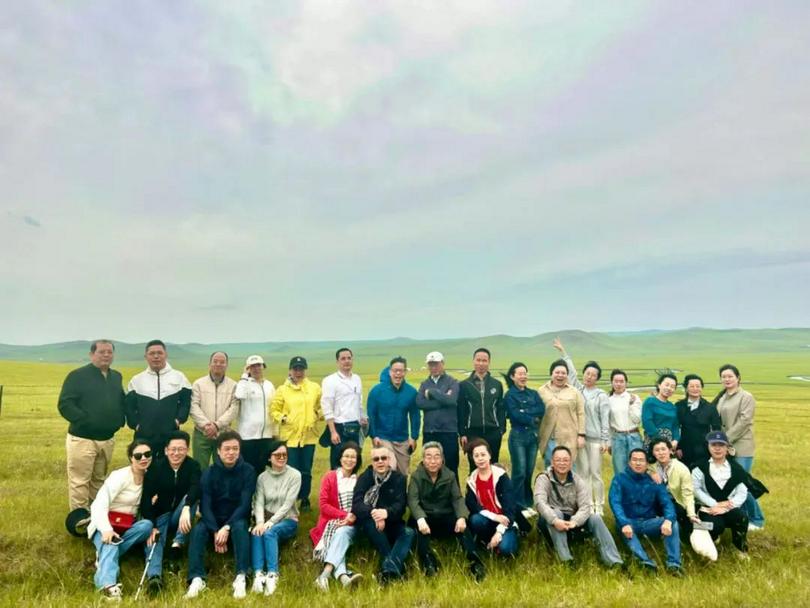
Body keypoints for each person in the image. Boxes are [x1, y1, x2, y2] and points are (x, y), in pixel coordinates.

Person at [58, 339, 126, 533]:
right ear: (91, 354)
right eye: (101, 352)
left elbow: (120, 400)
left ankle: (96, 518)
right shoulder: (77, 376)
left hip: (107, 438)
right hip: (83, 438)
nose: (106, 355)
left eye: (109, 352)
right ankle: (79, 521)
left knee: (99, 480)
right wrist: (85, 420)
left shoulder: (116, 376)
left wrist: (119, 420)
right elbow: (65, 404)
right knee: (80, 481)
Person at [185, 431, 256, 599]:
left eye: (235, 449)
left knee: (240, 526)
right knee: (198, 530)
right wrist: (216, 530)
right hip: (213, 519)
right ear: (218, 451)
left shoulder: (248, 471)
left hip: (236, 518)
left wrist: (227, 527)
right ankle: (196, 578)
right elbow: (205, 505)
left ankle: (241, 576)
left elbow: (245, 504)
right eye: (227, 449)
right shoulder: (209, 473)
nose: (231, 453)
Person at [533, 446, 623, 568]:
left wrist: (575, 522)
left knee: (595, 517)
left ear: (570, 463)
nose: (562, 463)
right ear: (552, 462)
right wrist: (555, 520)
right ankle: (566, 560)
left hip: (572, 522)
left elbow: (585, 506)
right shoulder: (543, 478)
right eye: (558, 460)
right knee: (557, 513)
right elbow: (540, 503)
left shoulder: (578, 480)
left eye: (565, 460)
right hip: (550, 523)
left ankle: (613, 560)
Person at [87, 439, 155, 600]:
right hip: (105, 523)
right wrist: (106, 529)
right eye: (138, 456)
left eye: (147, 454)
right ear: (131, 458)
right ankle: (109, 587)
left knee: (147, 525)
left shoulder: (150, 477)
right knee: (111, 542)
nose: (143, 458)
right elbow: (99, 503)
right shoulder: (120, 476)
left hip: (127, 526)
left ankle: (103, 556)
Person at [407, 442, 486, 580]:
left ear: (442, 459)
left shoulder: (449, 475)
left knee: (463, 527)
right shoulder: (416, 476)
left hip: (444, 515)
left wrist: (461, 517)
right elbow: (413, 500)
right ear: (423, 459)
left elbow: (457, 498)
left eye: (436, 457)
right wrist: (420, 518)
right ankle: (429, 563)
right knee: (417, 529)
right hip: (425, 517)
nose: (433, 461)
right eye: (428, 457)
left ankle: (475, 562)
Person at [553, 338, 610, 515]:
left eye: (593, 375)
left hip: (595, 440)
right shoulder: (578, 390)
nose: (589, 377)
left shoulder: (601, 395)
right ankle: (587, 505)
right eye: (587, 373)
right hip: (580, 439)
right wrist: (563, 351)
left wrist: (605, 440)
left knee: (596, 473)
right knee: (583, 473)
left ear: (597, 378)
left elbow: (605, 419)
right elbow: (571, 372)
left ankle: (599, 506)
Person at [140, 430, 201, 594]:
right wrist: (152, 525)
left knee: (191, 498)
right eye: (173, 449)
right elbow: (146, 499)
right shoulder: (156, 467)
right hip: (161, 514)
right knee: (154, 541)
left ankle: (176, 545)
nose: (176, 453)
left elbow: (196, 487)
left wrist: (187, 507)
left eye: (181, 449)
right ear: (166, 450)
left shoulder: (193, 466)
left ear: (187, 449)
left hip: (180, 514)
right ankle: (154, 577)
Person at [608, 448, 682, 574]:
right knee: (621, 526)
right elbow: (615, 502)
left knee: (673, 523)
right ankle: (645, 562)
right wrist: (624, 523)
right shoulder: (619, 479)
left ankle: (674, 564)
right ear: (629, 462)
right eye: (634, 460)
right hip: (628, 522)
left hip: (649, 522)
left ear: (647, 464)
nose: (638, 463)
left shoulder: (654, 481)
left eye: (641, 460)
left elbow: (667, 503)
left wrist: (668, 520)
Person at [352, 445, 415, 585]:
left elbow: (400, 506)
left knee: (408, 532)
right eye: (376, 459)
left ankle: (388, 570)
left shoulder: (399, 478)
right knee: (372, 525)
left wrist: (386, 513)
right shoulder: (365, 477)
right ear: (372, 462)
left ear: (389, 460)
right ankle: (394, 571)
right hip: (370, 522)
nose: (380, 461)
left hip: (392, 521)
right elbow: (356, 504)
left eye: (383, 458)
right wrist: (374, 513)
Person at [713, 364, 765, 530]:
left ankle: (757, 519)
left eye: (730, 376)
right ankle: (743, 519)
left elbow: (745, 421)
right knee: (731, 486)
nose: (727, 379)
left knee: (741, 484)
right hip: (726, 447)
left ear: (738, 378)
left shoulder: (746, 397)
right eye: (724, 377)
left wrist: (725, 440)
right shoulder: (722, 397)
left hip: (742, 446)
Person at [270, 356, 323, 513]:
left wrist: (317, 414)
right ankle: (290, 499)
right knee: (291, 469)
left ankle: (304, 498)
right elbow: (274, 409)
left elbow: (322, 406)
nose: (298, 372)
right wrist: (284, 418)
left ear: (305, 370)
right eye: (295, 369)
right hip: (290, 436)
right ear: (290, 370)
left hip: (309, 436)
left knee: (306, 469)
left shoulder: (314, 388)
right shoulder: (282, 390)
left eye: (301, 369)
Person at [647, 437, 713, 560]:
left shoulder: (681, 468)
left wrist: (691, 513)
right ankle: (675, 537)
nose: (661, 453)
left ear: (670, 451)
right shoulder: (652, 467)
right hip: (657, 503)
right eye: (657, 450)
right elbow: (641, 467)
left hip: (678, 503)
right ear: (653, 453)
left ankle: (709, 530)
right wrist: (651, 472)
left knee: (690, 520)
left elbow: (688, 494)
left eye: (663, 449)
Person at [250, 440, 301, 596]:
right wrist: (260, 522)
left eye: (284, 455)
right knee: (257, 532)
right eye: (277, 455)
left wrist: (271, 522)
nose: (281, 457)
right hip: (266, 518)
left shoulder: (295, 475)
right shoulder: (262, 478)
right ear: (269, 457)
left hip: (288, 519)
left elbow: (288, 504)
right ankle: (258, 574)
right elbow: (259, 502)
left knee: (270, 532)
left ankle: (273, 574)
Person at [125, 340, 192, 456]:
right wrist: (136, 425)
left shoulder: (179, 377)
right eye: (152, 353)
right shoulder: (137, 380)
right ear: (146, 357)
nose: (156, 356)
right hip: (144, 436)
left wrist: (178, 420)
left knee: (170, 464)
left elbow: (186, 403)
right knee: (143, 464)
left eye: (160, 353)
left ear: (166, 355)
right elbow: (129, 408)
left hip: (171, 434)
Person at [312, 442, 364, 591]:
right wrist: (345, 515)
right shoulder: (330, 477)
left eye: (353, 457)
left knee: (342, 532)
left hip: (353, 524)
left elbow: (362, 505)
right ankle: (343, 578)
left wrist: (351, 518)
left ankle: (324, 575)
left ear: (357, 460)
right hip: (330, 522)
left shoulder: (359, 480)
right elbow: (323, 505)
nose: (349, 460)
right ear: (340, 458)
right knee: (338, 533)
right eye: (346, 456)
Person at [692, 431, 750, 556]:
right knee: (714, 526)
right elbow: (696, 490)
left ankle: (740, 548)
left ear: (727, 448)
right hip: (708, 508)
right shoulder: (699, 467)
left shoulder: (736, 469)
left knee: (741, 518)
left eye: (721, 445)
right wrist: (714, 504)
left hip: (728, 507)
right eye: (714, 445)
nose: (717, 448)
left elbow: (742, 492)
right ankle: (711, 538)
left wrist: (726, 507)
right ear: (708, 447)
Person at [464, 438, 519, 557]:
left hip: (506, 521)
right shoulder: (472, 479)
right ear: (472, 458)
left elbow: (510, 509)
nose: (480, 458)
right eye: (476, 456)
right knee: (475, 519)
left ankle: (506, 537)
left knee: (506, 549)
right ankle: (486, 540)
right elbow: (472, 505)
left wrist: (499, 532)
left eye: (483, 454)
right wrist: (494, 517)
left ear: (489, 455)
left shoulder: (501, 477)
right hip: (488, 519)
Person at [503, 362, 545, 513]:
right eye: (520, 374)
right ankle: (518, 505)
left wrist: (525, 411)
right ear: (512, 376)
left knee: (528, 471)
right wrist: (532, 418)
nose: (523, 376)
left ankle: (528, 503)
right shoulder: (509, 395)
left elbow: (541, 408)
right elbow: (515, 415)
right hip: (518, 437)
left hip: (532, 437)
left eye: (525, 373)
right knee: (519, 472)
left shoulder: (533, 393)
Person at [367, 357, 420, 476]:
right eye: (395, 370)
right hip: (383, 437)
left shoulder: (411, 392)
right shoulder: (376, 391)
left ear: (405, 372)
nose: (398, 373)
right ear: (390, 372)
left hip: (402, 439)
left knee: (403, 473)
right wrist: (374, 435)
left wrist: (414, 437)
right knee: (390, 467)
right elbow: (371, 415)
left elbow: (415, 416)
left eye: (401, 371)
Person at [415, 351, 461, 479]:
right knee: (430, 468)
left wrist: (431, 392)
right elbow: (420, 403)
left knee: (451, 468)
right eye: (431, 364)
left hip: (449, 432)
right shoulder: (424, 384)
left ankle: (453, 492)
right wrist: (443, 399)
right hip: (430, 432)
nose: (433, 367)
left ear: (443, 364)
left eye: (436, 364)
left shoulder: (452, 382)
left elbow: (452, 400)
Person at [190, 352, 238, 470]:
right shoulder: (198, 384)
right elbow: (193, 406)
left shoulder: (233, 385)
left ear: (227, 365)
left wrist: (217, 425)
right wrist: (207, 425)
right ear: (209, 364)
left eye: (222, 362)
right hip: (202, 433)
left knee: (224, 469)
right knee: (200, 468)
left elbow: (234, 408)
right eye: (215, 361)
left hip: (223, 434)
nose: (218, 364)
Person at [458, 348, 505, 469]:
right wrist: (462, 433)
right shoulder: (464, 385)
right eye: (478, 360)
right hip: (472, 432)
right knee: (474, 466)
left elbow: (500, 408)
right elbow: (461, 410)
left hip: (493, 432)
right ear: (473, 361)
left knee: (493, 466)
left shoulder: (497, 384)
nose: (481, 363)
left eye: (484, 361)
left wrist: (501, 429)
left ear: (489, 362)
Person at [321, 348, 365, 469]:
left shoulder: (357, 379)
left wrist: (362, 417)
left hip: (355, 426)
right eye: (343, 359)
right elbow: (327, 406)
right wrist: (333, 431)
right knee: (338, 462)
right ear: (337, 362)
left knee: (354, 462)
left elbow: (359, 402)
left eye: (349, 358)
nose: (347, 361)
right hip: (339, 427)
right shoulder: (330, 380)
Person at [538, 359, 586, 466]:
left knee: (568, 467)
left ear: (567, 375)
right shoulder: (541, 391)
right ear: (551, 373)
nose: (560, 375)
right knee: (550, 467)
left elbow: (581, 413)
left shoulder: (574, 392)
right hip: (549, 438)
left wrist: (581, 435)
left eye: (563, 373)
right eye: (557, 372)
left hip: (569, 437)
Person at [234, 355, 276, 476]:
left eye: (259, 365)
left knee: (264, 469)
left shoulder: (269, 385)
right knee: (249, 469)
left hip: (266, 435)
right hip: (248, 436)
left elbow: (274, 406)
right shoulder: (244, 384)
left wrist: (274, 430)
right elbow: (239, 395)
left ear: (263, 367)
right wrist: (244, 376)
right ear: (248, 368)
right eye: (252, 366)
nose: (256, 369)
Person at [675, 374, 722, 469]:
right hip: (684, 449)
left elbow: (717, 429)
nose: (695, 389)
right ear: (686, 388)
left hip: (704, 450)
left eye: (698, 386)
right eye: (692, 386)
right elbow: (675, 427)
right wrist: (678, 447)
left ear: (702, 388)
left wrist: (714, 448)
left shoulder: (710, 407)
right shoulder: (679, 406)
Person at [607, 369, 644, 475]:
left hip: (634, 436)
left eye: (621, 381)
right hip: (617, 438)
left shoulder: (634, 398)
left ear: (626, 383)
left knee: (637, 469)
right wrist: (609, 443)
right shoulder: (608, 400)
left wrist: (631, 405)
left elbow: (637, 420)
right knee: (620, 470)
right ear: (612, 383)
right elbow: (608, 424)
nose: (618, 384)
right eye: (616, 381)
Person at [641, 373, 680, 452]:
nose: (669, 388)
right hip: (653, 441)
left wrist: (675, 440)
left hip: (669, 444)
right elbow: (647, 422)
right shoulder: (650, 402)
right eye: (667, 385)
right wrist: (660, 441)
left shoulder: (672, 407)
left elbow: (675, 426)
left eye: (672, 387)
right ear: (659, 385)